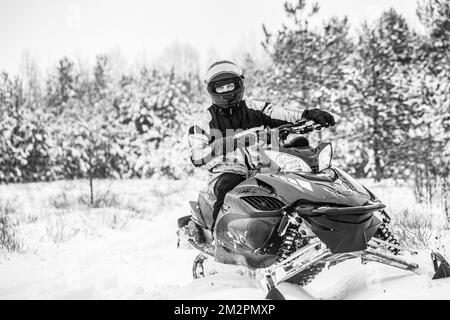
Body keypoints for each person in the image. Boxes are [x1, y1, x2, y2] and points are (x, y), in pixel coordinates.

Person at [188, 60, 335, 232]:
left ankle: (313, 225)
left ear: (239, 84)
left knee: (299, 165)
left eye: (230, 85)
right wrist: (231, 142)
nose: (227, 91)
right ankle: (219, 236)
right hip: (229, 172)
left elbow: (284, 114)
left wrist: (310, 114)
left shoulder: (257, 108)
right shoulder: (203, 122)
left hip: (267, 166)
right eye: (220, 88)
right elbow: (197, 157)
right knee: (227, 183)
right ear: (211, 89)